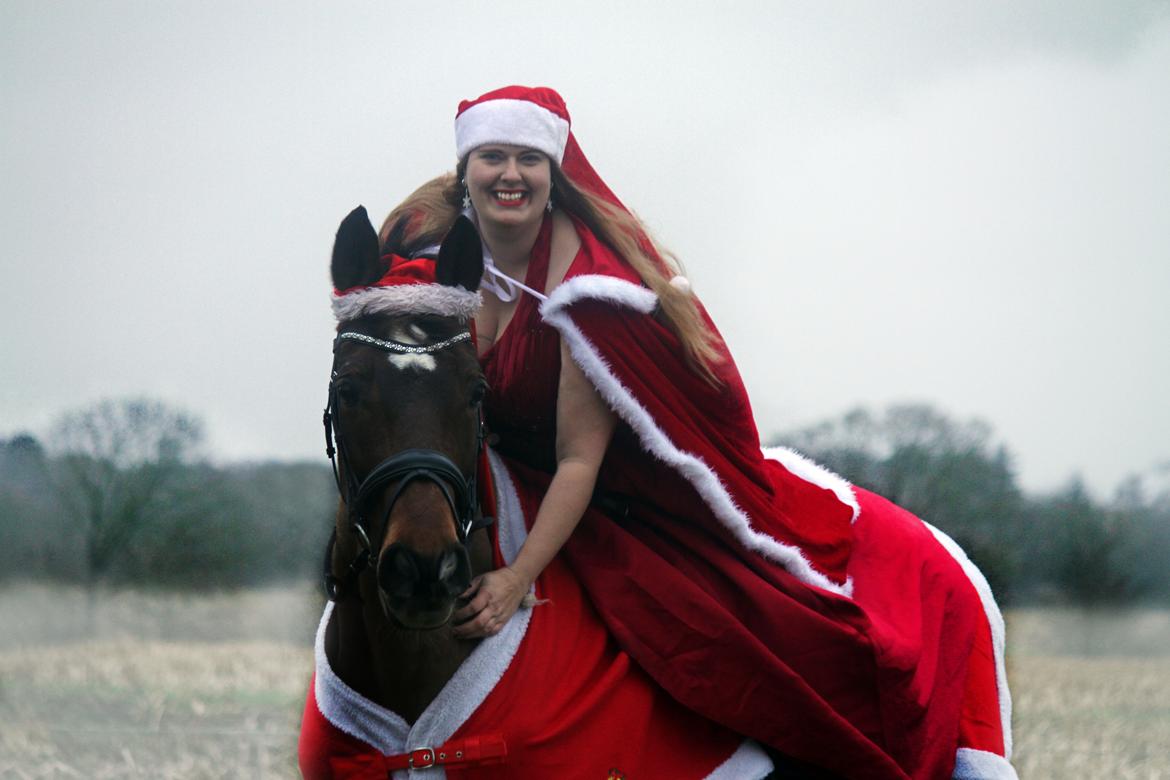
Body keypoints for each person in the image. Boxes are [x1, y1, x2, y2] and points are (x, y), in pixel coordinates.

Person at [379, 86, 1016, 780]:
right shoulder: (435, 259)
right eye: (493, 157)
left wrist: (514, 580)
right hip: (501, 478)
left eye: (528, 159)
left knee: (721, 637)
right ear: (466, 167)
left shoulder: (588, 293)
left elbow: (578, 462)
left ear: (553, 172)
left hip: (622, 498)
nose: (510, 174)